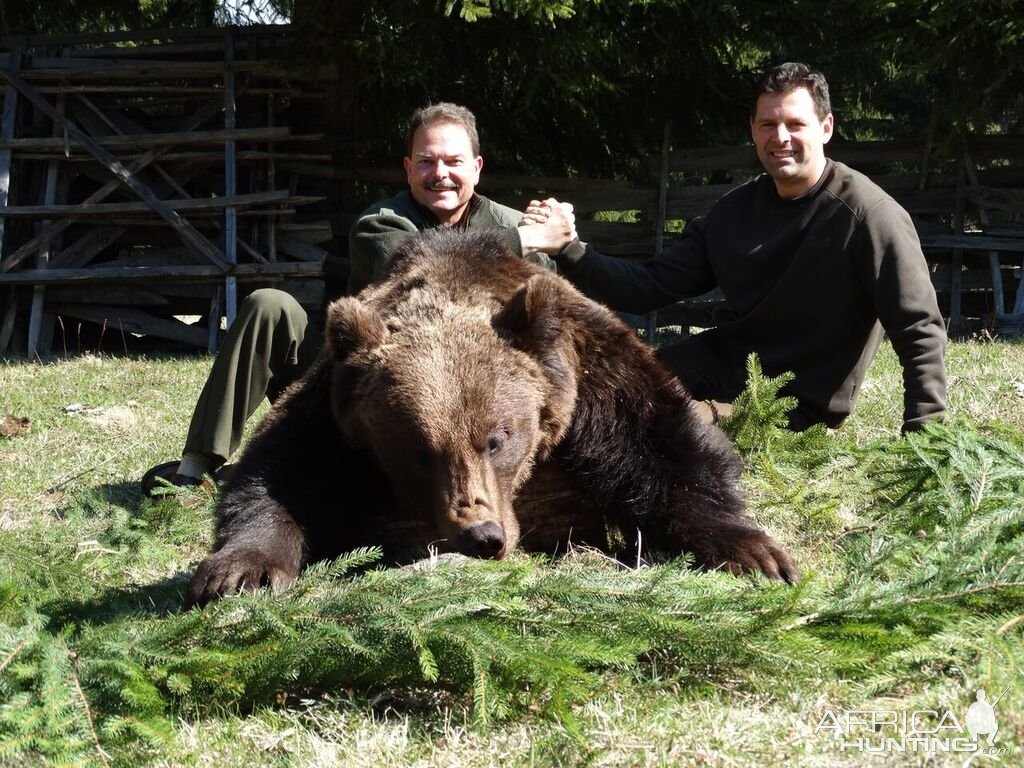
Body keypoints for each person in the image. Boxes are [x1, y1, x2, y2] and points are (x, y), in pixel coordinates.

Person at [142, 102, 573, 497]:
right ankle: (194, 467)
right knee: (270, 305)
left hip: (471, 397)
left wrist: (560, 242)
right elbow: (413, 259)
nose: (440, 172)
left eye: (453, 161)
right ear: (408, 169)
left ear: (477, 168)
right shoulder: (381, 222)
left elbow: (544, 327)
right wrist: (531, 238)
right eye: (426, 161)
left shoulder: (511, 224)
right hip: (355, 383)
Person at [528, 62, 947, 433]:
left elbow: (918, 327)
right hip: (724, 363)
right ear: (753, 130)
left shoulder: (868, 216)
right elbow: (648, 286)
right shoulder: (733, 211)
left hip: (794, 402)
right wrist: (570, 248)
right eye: (768, 125)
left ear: (826, 127)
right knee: (608, 391)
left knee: (662, 426)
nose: (780, 137)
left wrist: (924, 432)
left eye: (795, 124)